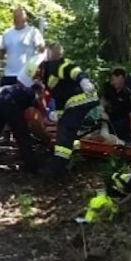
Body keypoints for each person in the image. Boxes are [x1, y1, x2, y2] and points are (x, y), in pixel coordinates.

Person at [32, 42, 97, 179]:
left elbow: (72, 70)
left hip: (82, 98)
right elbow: (62, 97)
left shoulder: (53, 66)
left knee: (65, 129)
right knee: (66, 127)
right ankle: (66, 160)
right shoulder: (50, 77)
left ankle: (57, 168)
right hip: (78, 101)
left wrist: (83, 80)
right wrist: (57, 114)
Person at [0, 7, 45, 86]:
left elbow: (42, 50)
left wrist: (37, 66)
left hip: (25, 76)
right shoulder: (7, 34)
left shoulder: (32, 32)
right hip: (9, 75)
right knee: (4, 97)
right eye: (14, 17)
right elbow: (2, 50)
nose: (16, 19)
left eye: (18, 16)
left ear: (24, 18)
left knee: (24, 97)